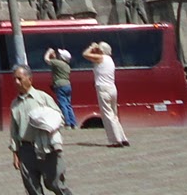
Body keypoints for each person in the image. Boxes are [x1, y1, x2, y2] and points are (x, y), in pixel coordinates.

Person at [9, 64, 72, 195]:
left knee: (55, 184)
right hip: (26, 150)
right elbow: (14, 131)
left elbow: (59, 116)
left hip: (46, 147)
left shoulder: (42, 98)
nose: (16, 82)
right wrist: (15, 153)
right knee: (32, 188)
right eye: (14, 79)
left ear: (30, 79)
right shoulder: (15, 104)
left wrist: (45, 121)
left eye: (19, 78)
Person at [83, 41, 128, 147]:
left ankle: (116, 140)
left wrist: (91, 47)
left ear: (101, 50)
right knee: (114, 114)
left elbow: (85, 54)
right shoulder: (110, 59)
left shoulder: (100, 58)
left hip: (103, 88)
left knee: (107, 114)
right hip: (112, 88)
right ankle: (122, 137)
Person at [44, 47, 76, 128]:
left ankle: (67, 123)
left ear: (61, 57)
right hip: (68, 85)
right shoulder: (67, 66)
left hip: (59, 85)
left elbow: (47, 60)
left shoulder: (58, 63)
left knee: (63, 104)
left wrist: (48, 52)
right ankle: (73, 123)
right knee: (68, 104)